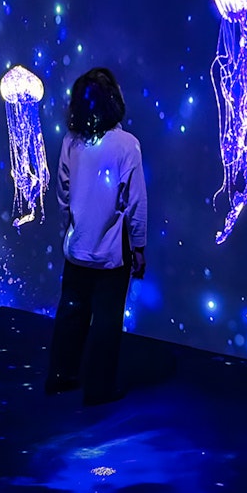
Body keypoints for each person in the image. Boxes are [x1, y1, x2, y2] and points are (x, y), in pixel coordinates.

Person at [45, 67, 147, 406]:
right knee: (106, 320)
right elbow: (136, 202)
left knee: (70, 313)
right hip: (111, 254)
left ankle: (60, 376)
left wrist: (71, 227)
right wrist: (139, 246)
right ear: (114, 100)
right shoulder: (127, 145)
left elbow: (63, 192)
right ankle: (99, 388)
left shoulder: (70, 142)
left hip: (76, 247)